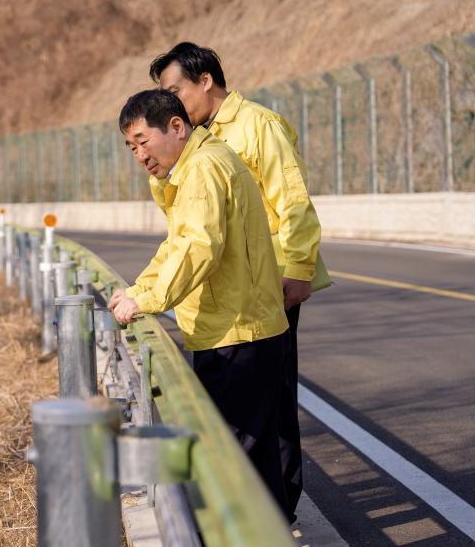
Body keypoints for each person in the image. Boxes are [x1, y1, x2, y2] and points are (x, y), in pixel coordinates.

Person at [149, 42, 329, 521]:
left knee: (274, 405)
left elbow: (292, 201)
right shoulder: (196, 139)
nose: (171, 103)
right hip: (236, 289)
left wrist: (297, 270)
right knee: (259, 405)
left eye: (176, 90)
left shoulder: (257, 126)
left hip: (270, 284)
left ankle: (277, 513)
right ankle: (267, 512)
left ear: (205, 80)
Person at [108, 89, 290, 514]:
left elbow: (197, 248)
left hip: (237, 335)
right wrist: (138, 290)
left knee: (224, 465)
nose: (139, 155)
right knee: (257, 468)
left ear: (176, 127)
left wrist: (147, 299)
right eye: (131, 146)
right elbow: (178, 246)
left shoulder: (202, 167)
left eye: (143, 141)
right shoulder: (197, 165)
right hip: (239, 328)